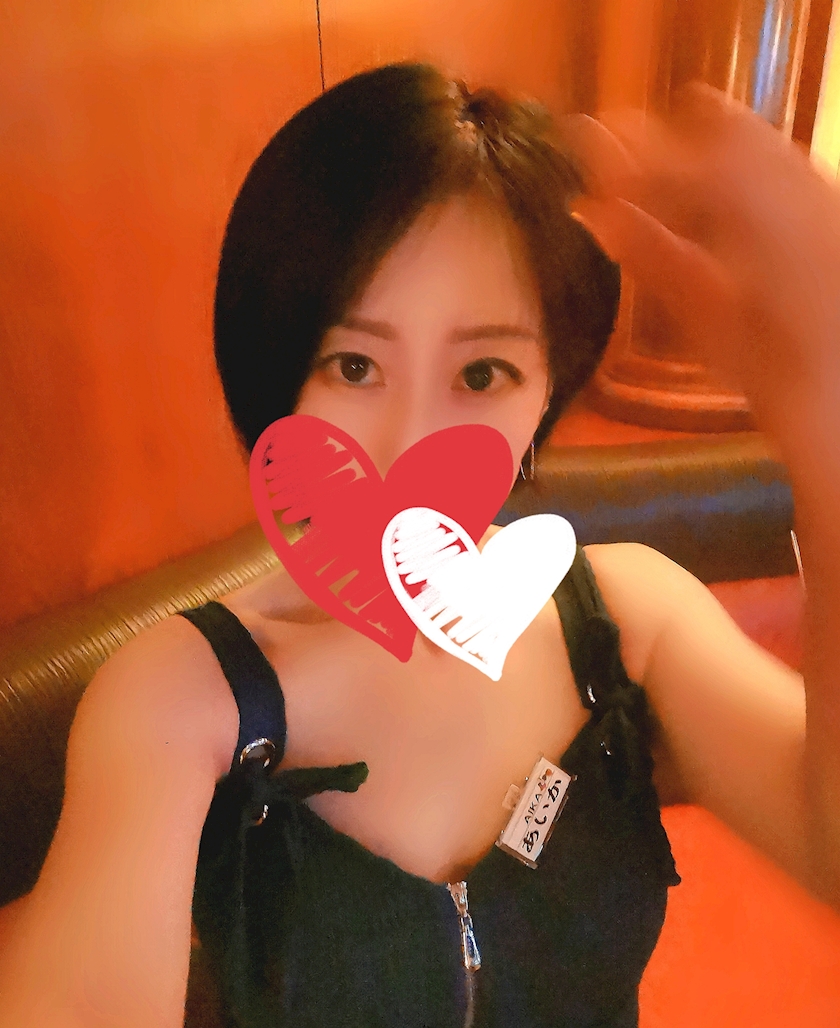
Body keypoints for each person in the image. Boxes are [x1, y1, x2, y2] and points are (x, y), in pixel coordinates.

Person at [1, 61, 839, 1028]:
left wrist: (821, 413)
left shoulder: (625, 622)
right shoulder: (188, 697)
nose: (409, 444)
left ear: (547, 392)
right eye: (355, 365)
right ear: (282, 377)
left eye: (482, 373)